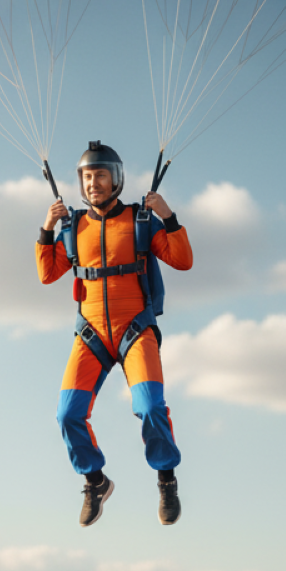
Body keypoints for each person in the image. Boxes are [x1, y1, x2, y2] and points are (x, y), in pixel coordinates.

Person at [35, 141, 193, 527]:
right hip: (90, 333)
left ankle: (166, 477)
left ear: (116, 179)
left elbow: (182, 260)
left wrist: (167, 216)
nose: (93, 184)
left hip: (135, 328)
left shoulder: (140, 221)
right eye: (87, 177)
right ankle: (95, 481)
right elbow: (47, 274)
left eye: (100, 176)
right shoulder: (73, 227)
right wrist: (47, 228)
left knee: (151, 406)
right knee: (66, 414)